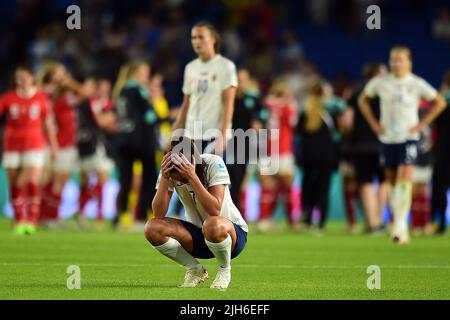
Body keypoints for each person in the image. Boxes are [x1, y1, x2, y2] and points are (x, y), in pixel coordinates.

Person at [358, 46, 446, 244]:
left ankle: (399, 226)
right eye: (393, 59)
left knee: (405, 180)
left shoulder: (415, 83)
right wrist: (373, 123)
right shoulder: (380, 83)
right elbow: (362, 100)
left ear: (409, 62)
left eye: (400, 60)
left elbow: (439, 102)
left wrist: (421, 125)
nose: (396, 63)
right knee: (392, 183)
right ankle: (399, 223)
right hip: (387, 139)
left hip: (408, 138)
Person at [145, 136, 248, 289]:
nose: (180, 182)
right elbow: (158, 214)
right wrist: (166, 178)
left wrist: (192, 177)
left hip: (230, 235)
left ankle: (224, 270)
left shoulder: (213, 162)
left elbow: (215, 209)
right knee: (152, 228)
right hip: (199, 235)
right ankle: (195, 269)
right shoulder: (170, 168)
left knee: (211, 224)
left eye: (181, 178)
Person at [0, 66, 58, 234]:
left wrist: (53, 145)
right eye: (18, 77)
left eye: (24, 77)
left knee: (29, 181)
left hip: (34, 144)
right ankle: (19, 219)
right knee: (14, 185)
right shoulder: (8, 97)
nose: (21, 80)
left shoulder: (40, 98)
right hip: (11, 145)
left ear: (32, 78)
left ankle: (32, 219)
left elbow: (47, 123)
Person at [171, 22, 237, 155]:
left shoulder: (226, 66)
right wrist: (175, 131)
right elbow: (186, 103)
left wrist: (223, 135)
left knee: (210, 175)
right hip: (192, 134)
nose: (196, 41)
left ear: (213, 39)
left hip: (214, 134)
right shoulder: (190, 68)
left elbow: (229, 103)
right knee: (189, 175)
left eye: (201, 37)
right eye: (193, 38)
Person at [113, 61, 159, 229]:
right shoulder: (138, 91)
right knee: (150, 178)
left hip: (124, 140)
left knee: (125, 180)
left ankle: (122, 215)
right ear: (137, 73)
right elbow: (150, 117)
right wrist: (153, 102)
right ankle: (143, 215)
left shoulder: (121, 91)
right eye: (145, 73)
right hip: (141, 141)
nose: (146, 76)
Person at [347, 63, 389, 234]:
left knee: (365, 183)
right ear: (377, 73)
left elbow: (347, 122)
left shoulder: (357, 92)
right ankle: (378, 220)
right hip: (384, 143)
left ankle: (371, 222)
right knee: (385, 182)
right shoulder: (387, 92)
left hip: (361, 145)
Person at [296, 81, 340, 231]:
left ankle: (307, 219)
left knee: (308, 187)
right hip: (326, 158)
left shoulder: (305, 113)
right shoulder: (332, 113)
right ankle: (320, 223)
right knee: (322, 189)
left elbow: (299, 135)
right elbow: (337, 137)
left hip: (309, 157)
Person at [257, 79, 297, 231]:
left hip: (267, 152)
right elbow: (294, 123)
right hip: (283, 152)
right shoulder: (288, 107)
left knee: (267, 189)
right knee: (287, 189)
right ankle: (291, 223)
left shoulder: (266, 105)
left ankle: (264, 221)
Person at [76, 78, 116, 228]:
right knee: (89, 180)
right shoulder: (92, 102)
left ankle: (94, 215)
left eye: (107, 88)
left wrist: (109, 121)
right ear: (97, 89)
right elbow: (102, 122)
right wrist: (108, 120)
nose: (105, 91)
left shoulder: (109, 104)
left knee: (101, 179)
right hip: (90, 145)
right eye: (102, 88)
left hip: (102, 146)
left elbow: (112, 125)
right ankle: (83, 212)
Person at [227, 68, 266, 218]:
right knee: (228, 178)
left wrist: (258, 122)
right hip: (228, 143)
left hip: (245, 145)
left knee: (239, 179)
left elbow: (262, 114)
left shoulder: (253, 99)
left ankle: (234, 213)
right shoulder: (227, 98)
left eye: (243, 79)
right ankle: (230, 213)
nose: (241, 83)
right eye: (238, 79)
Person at [430, 70, 450, 234]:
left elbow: (433, 120)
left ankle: (440, 222)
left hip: (444, 148)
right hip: (443, 147)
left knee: (441, 185)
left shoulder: (442, 99)